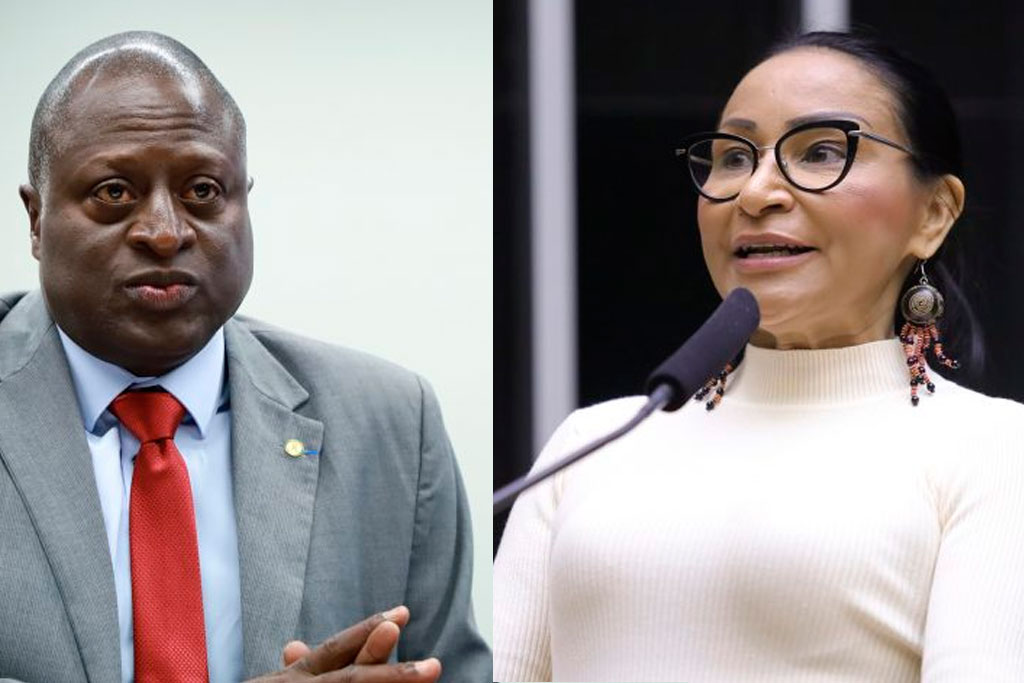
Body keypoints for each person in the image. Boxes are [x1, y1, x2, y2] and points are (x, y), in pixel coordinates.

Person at [494, 31, 1024, 682]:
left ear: (933, 214)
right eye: (732, 157)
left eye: (823, 150)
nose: (755, 192)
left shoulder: (992, 450)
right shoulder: (593, 441)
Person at [0, 31, 490, 683]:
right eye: (115, 192)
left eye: (203, 190)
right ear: (36, 219)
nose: (165, 231)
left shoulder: (393, 423)